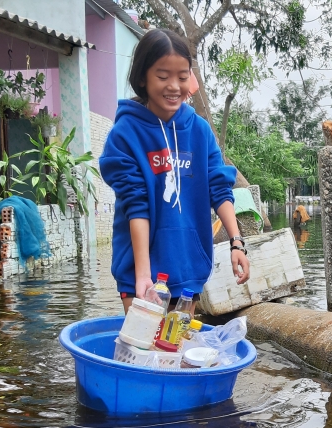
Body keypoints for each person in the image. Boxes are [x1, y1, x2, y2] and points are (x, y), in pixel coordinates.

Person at [100, 28, 250, 313]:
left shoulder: (200, 131)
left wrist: (237, 243)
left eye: (182, 77)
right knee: (141, 351)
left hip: (186, 263)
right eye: (162, 76)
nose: (174, 86)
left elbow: (219, 188)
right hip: (138, 267)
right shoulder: (125, 134)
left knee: (177, 354)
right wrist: (143, 276)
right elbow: (136, 205)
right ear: (143, 77)